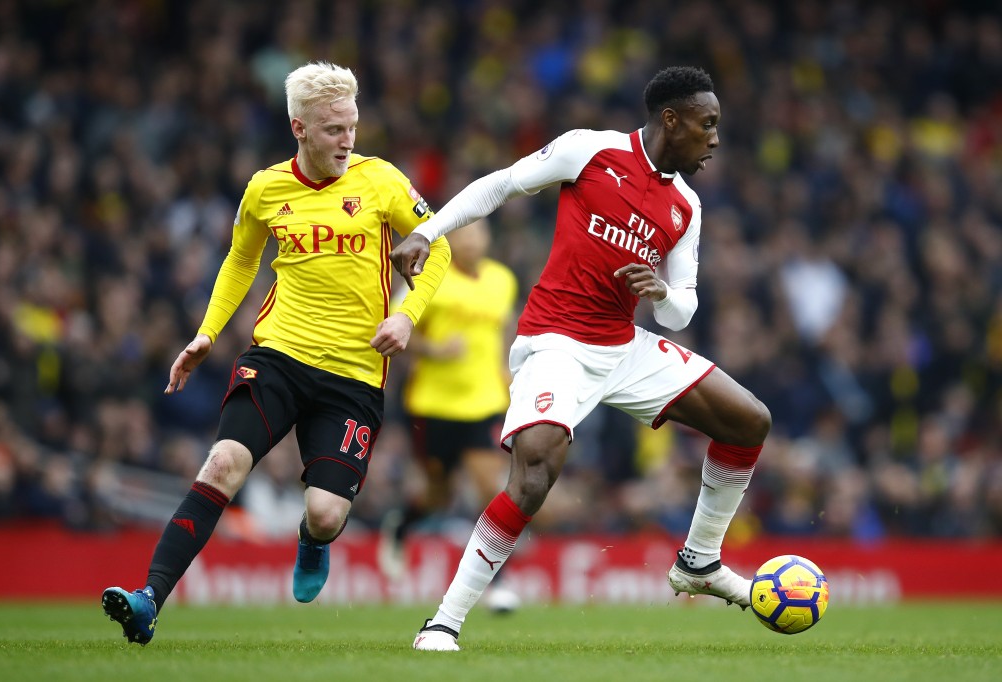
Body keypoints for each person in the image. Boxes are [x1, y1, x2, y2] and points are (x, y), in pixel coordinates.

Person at [391, 66, 771, 651]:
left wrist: (662, 293)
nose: (715, 138)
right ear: (672, 119)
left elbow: (682, 312)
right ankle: (443, 622)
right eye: (708, 124)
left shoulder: (687, 208)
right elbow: (500, 185)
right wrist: (430, 230)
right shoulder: (590, 152)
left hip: (623, 346)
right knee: (536, 470)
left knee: (748, 420)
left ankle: (699, 561)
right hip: (557, 343)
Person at [101, 61, 451, 645]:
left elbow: (436, 247)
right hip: (278, 356)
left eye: (352, 126)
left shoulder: (383, 181)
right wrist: (208, 333)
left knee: (325, 513)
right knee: (222, 465)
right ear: (300, 128)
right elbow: (241, 260)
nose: (348, 140)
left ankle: (312, 541)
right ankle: (148, 599)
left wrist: (406, 316)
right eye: (334, 129)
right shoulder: (267, 188)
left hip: (355, 373)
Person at [379, 219, 521, 611]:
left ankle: (498, 582)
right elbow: (394, 327)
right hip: (433, 404)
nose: (473, 240)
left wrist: (507, 369)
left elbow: (505, 329)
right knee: (437, 495)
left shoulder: (502, 280)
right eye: (466, 233)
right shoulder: (429, 278)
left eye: (479, 233)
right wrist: (435, 351)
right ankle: (402, 525)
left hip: (485, 402)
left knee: (487, 487)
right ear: (452, 239)